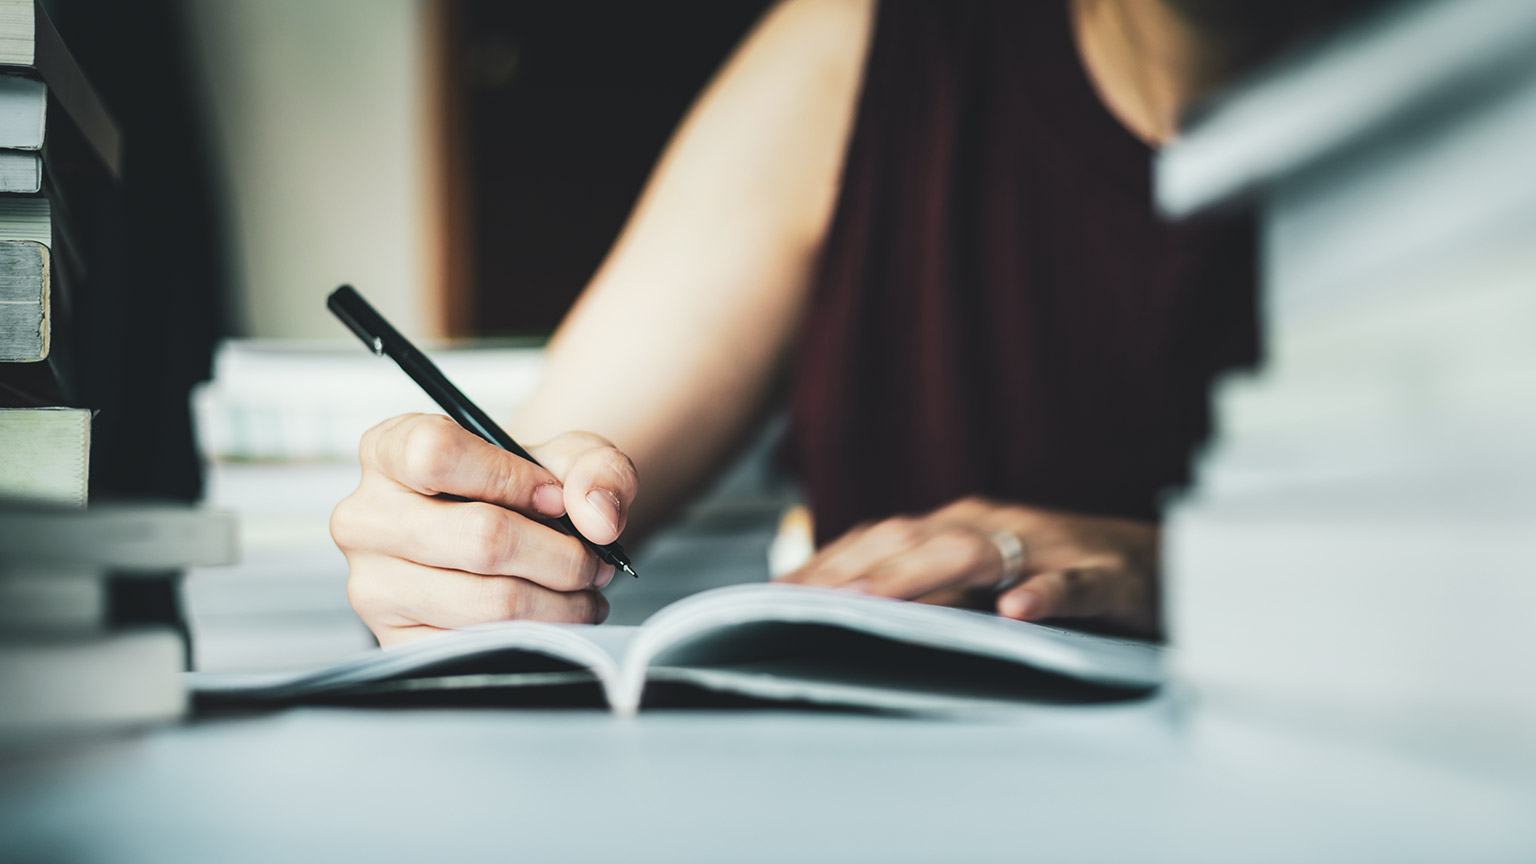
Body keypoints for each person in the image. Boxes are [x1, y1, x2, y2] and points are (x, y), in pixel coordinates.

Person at [330, 0, 1341, 646]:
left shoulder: (1489, 73)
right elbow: (549, 475)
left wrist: (1183, 569)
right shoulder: (870, 53)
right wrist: (457, 550)